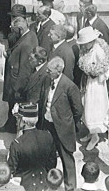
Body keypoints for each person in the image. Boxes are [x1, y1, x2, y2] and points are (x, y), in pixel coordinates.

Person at [38, 57, 83, 191]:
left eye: (50, 70)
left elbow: (78, 110)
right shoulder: (47, 80)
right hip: (47, 125)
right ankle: (51, 183)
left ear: (58, 71)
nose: (47, 72)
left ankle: (70, 187)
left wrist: (67, 123)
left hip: (63, 128)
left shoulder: (69, 86)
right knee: (48, 155)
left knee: (66, 159)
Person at [0, 17, 37, 133]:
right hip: (14, 77)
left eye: (13, 29)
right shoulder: (29, 35)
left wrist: (17, 89)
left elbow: (25, 69)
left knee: (14, 106)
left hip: (16, 82)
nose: (12, 31)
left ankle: (11, 127)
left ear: (20, 29)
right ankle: (10, 125)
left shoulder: (26, 44)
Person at [77, 26, 109, 151]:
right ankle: (90, 132)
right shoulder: (87, 50)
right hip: (88, 82)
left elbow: (105, 66)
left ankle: (95, 136)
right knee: (85, 106)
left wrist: (94, 72)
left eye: (86, 43)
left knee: (93, 109)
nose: (84, 46)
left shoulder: (98, 50)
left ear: (92, 41)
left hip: (96, 85)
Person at [7, 103, 57, 191]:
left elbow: (11, 170)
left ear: (24, 121)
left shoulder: (17, 144)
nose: (17, 121)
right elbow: (52, 163)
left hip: (24, 186)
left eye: (18, 119)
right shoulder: (48, 136)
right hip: (45, 185)